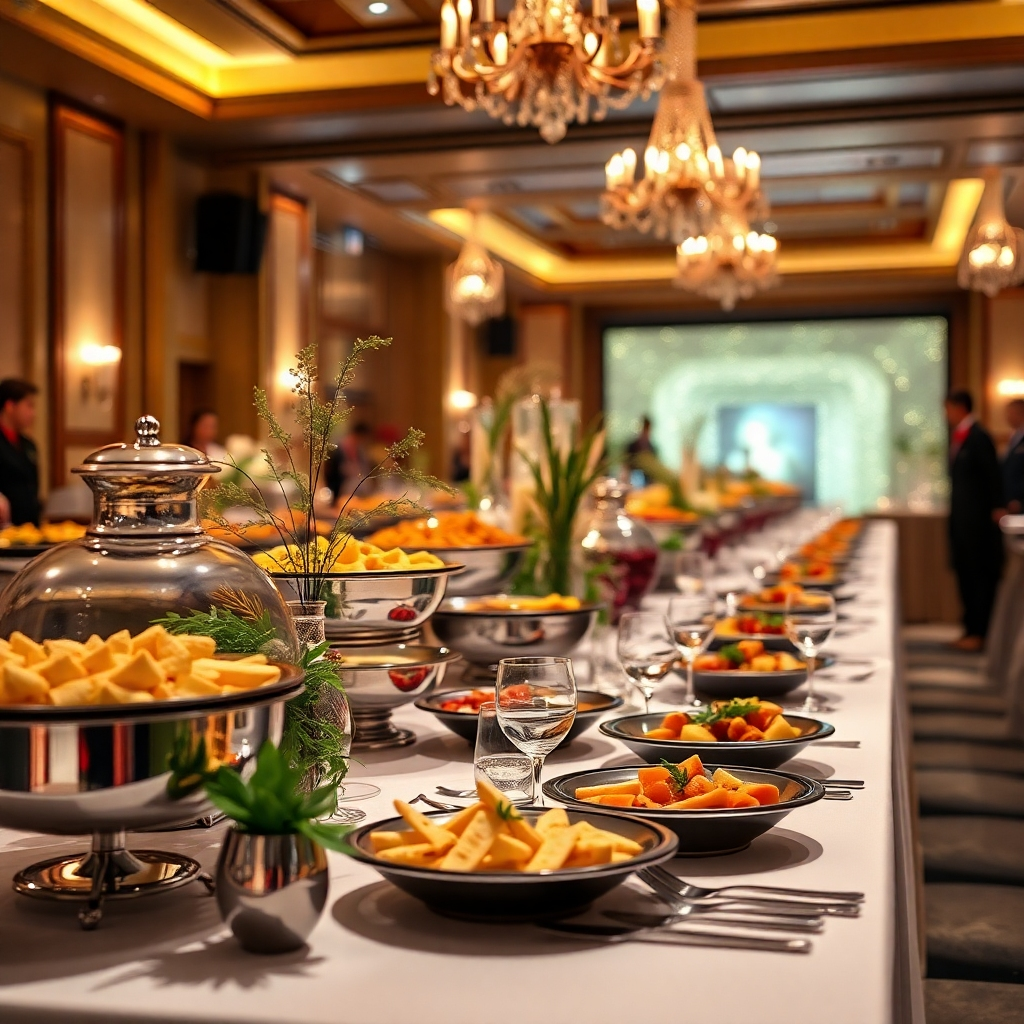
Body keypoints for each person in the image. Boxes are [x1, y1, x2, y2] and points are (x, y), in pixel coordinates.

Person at [944, 390, 1005, 651]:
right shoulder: (960, 437)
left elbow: (993, 478)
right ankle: (970, 628)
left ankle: (980, 633)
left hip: (978, 526)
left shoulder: (979, 437)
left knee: (979, 578)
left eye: (947, 408)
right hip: (962, 523)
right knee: (966, 577)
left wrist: (995, 509)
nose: (946, 415)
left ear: (959, 408)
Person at [0, 379, 41, 527]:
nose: (33, 413)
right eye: (29, 406)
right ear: (10, 406)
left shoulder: (29, 445)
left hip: (29, 528)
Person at [325, 422, 373, 504]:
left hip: (355, 491)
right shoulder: (339, 450)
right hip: (340, 490)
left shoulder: (359, 450)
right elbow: (331, 473)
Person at [1003, 398, 1024, 514]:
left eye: (1009, 413)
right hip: (1011, 502)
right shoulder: (1014, 437)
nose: (1007, 418)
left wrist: (1021, 501)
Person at [626, 416, 657, 483]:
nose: (646, 432)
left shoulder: (652, 448)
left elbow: (654, 468)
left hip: (648, 482)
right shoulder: (632, 446)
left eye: (647, 429)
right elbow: (626, 465)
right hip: (633, 480)